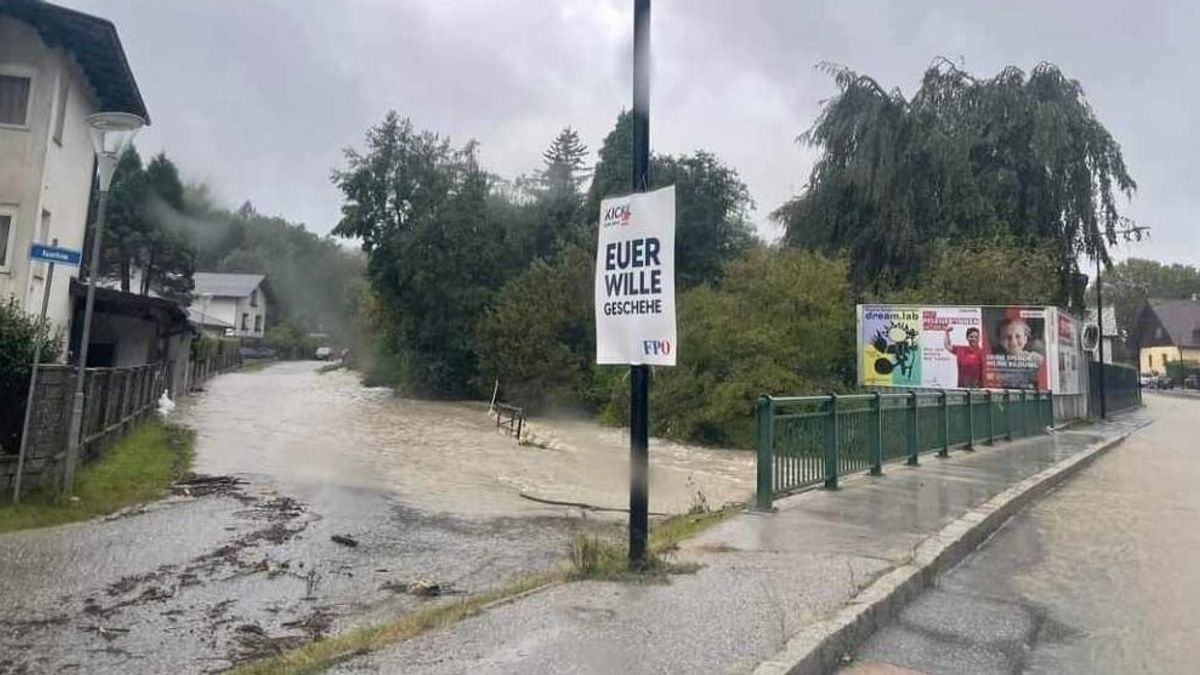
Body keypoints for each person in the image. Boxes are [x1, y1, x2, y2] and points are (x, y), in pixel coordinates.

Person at [991, 317, 1044, 387]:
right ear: (1000, 340)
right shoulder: (996, 361)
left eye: (1018, 336)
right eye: (1008, 337)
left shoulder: (1037, 359)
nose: (1013, 342)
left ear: (1025, 339)